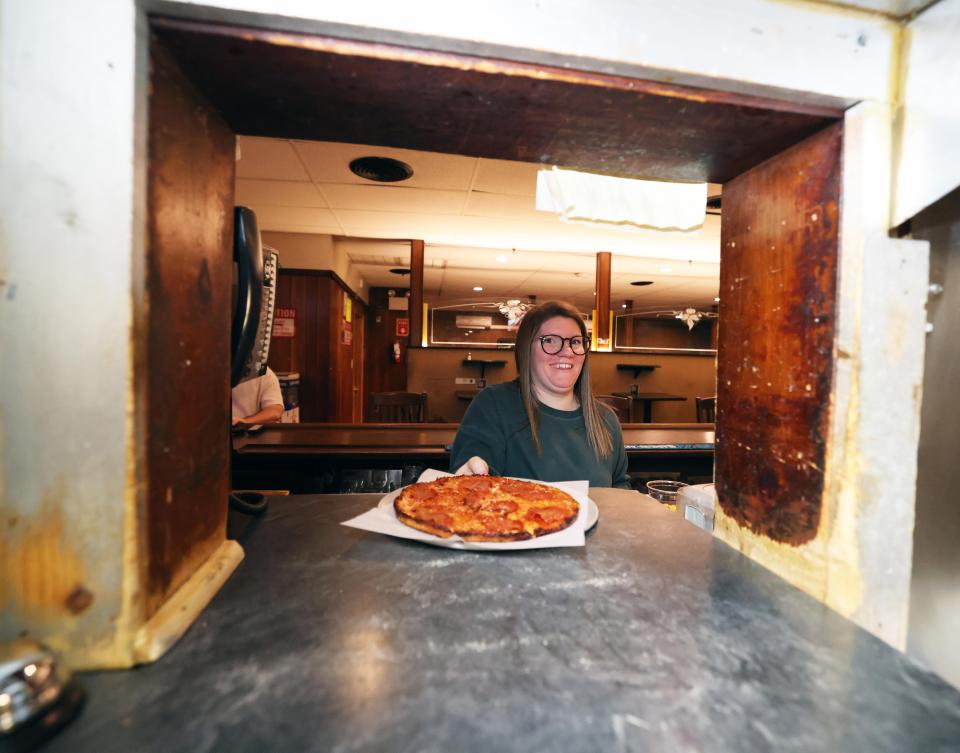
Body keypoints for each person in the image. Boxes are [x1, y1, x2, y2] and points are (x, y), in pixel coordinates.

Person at [450, 300, 630, 488]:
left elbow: (620, 488)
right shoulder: (493, 405)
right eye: (550, 341)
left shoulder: (606, 419)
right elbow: (470, 476)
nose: (567, 351)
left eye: (575, 342)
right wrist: (468, 477)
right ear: (525, 349)